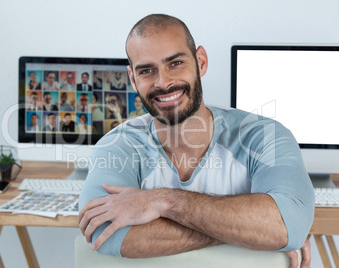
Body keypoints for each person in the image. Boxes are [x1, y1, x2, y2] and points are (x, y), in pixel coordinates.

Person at [78, 14, 314, 267]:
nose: (163, 82)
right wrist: (253, 234)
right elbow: (107, 235)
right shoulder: (117, 146)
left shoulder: (264, 136)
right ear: (133, 79)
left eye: (175, 63)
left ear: (200, 61)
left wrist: (163, 201)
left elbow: (288, 225)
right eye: (147, 71)